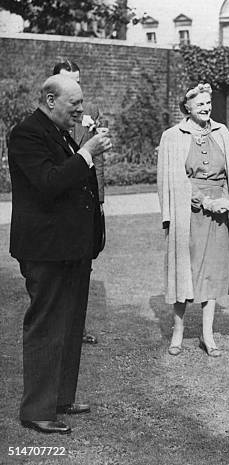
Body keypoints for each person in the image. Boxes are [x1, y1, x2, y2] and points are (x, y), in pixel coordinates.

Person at [8, 75, 111, 434]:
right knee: (47, 326)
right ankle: (36, 410)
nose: (80, 110)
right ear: (50, 100)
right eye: (74, 104)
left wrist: (84, 152)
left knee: (69, 326)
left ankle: (61, 398)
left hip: (71, 249)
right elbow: (49, 183)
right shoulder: (26, 134)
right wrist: (87, 153)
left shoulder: (61, 133)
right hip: (46, 250)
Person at [157, 83, 229, 357]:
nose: (205, 108)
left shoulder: (222, 132)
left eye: (208, 103)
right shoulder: (173, 136)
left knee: (212, 273)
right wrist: (205, 201)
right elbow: (175, 180)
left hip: (219, 215)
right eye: (199, 104)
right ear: (186, 107)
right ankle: (177, 333)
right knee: (183, 271)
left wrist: (226, 199)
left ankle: (207, 334)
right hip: (187, 212)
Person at [53, 59, 104, 345]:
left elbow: (100, 157)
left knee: (84, 263)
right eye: (68, 81)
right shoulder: (46, 117)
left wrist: (100, 199)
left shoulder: (89, 111)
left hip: (86, 202)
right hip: (61, 203)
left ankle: (76, 327)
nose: (75, 88)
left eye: (78, 81)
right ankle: (56, 325)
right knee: (59, 265)